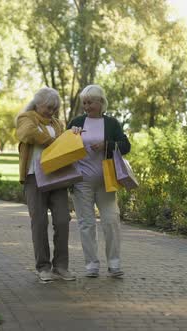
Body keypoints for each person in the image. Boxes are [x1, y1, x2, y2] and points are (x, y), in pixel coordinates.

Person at [68, 85, 131, 278]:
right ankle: (91, 265)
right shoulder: (77, 122)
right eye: (84, 103)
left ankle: (114, 264)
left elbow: (126, 146)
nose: (87, 106)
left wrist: (107, 145)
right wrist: (72, 136)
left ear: (101, 102)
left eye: (90, 102)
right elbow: (63, 148)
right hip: (81, 181)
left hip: (106, 180)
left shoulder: (111, 123)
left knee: (111, 220)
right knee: (86, 224)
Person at [16, 87, 76, 282]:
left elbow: (68, 142)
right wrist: (53, 142)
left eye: (54, 108)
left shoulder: (58, 123)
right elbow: (28, 134)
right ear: (38, 103)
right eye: (48, 107)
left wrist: (72, 134)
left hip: (57, 177)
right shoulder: (26, 118)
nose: (51, 111)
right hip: (34, 177)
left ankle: (61, 266)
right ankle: (43, 267)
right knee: (39, 222)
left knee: (62, 220)